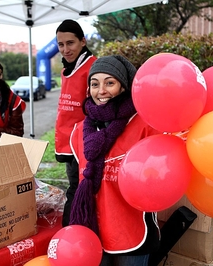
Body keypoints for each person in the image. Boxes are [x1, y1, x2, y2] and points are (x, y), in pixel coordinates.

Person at [69, 56, 161, 266]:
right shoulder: (79, 132)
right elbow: (75, 185)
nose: (101, 91)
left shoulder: (145, 125)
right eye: (94, 84)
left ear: (123, 87)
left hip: (133, 235)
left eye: (109, 83)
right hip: (92, 233)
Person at [55, 19, 97, 227]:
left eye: (70, 43)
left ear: (83, 41)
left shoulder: (94, 67)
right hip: (68, 141)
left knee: (78, 189)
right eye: (60, 45)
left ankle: (71, 234)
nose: (65, 49)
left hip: (86, 141)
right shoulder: (66, 70)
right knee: (75, 186)